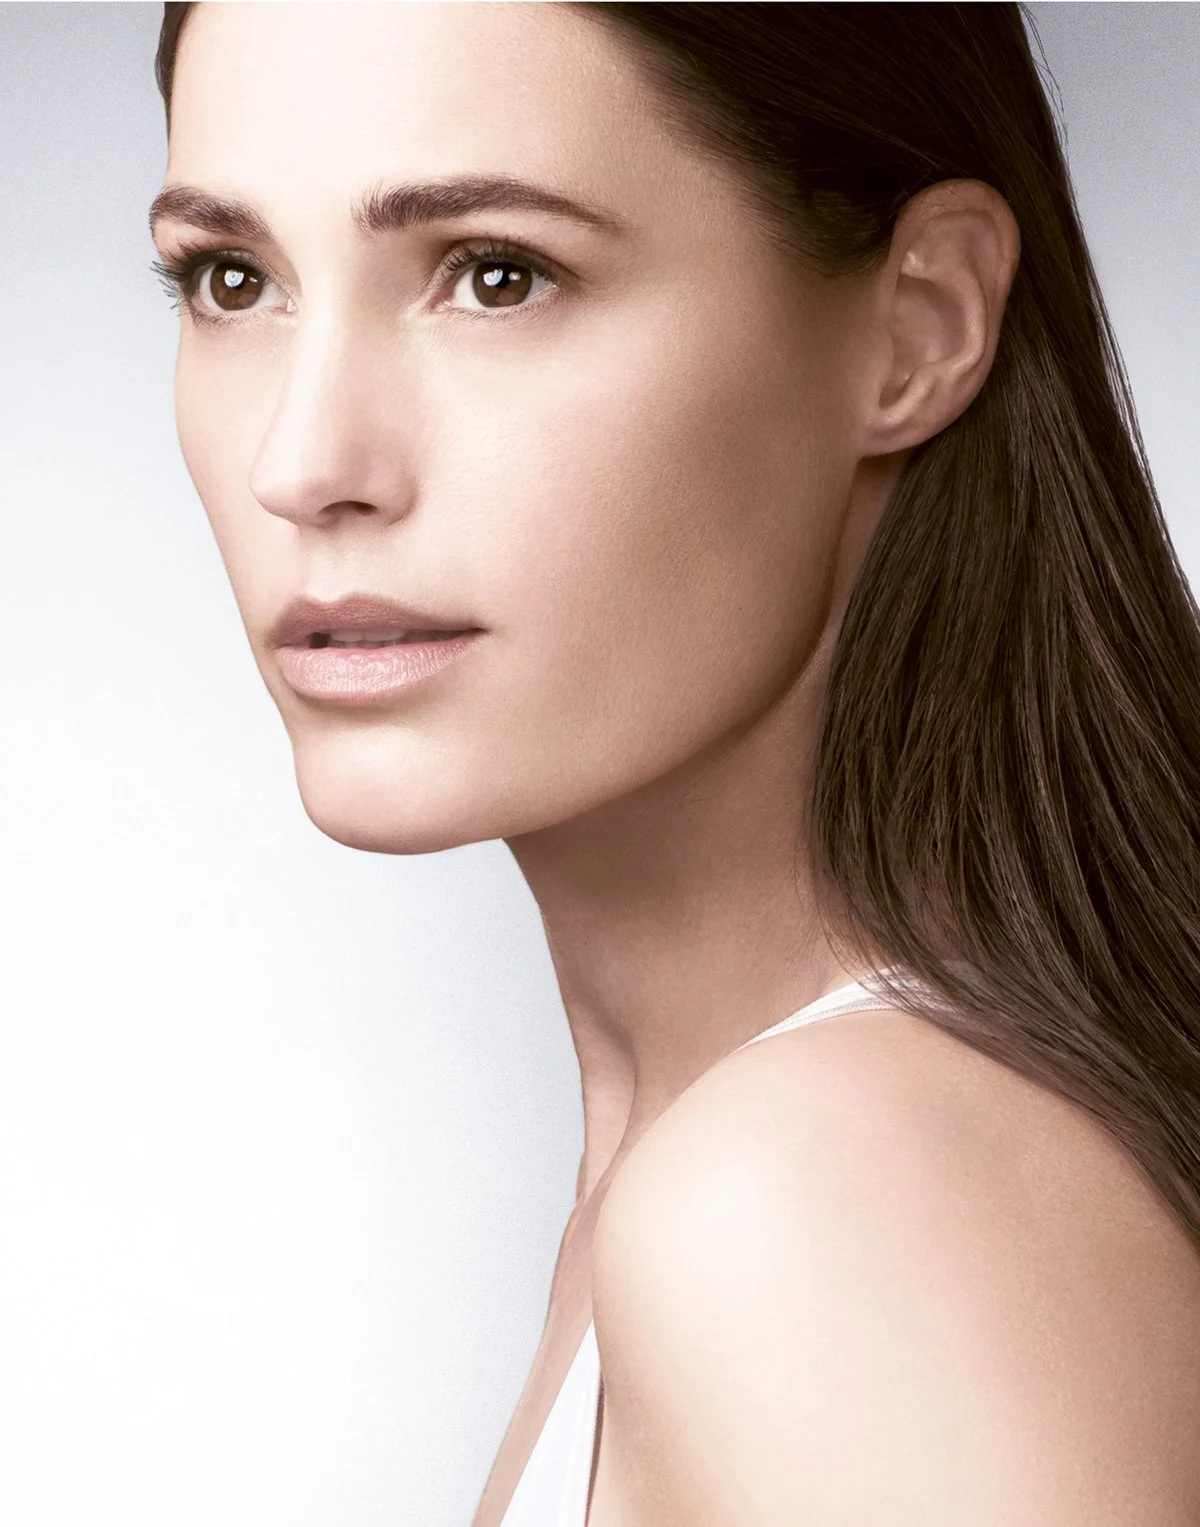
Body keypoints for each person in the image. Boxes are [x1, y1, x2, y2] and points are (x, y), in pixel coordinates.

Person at [149, 3, 1200, 1522]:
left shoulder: (819, 1206)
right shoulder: (771, 1160)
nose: (302, 463)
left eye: (496, 274)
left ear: (919, 328)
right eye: (231, 279)